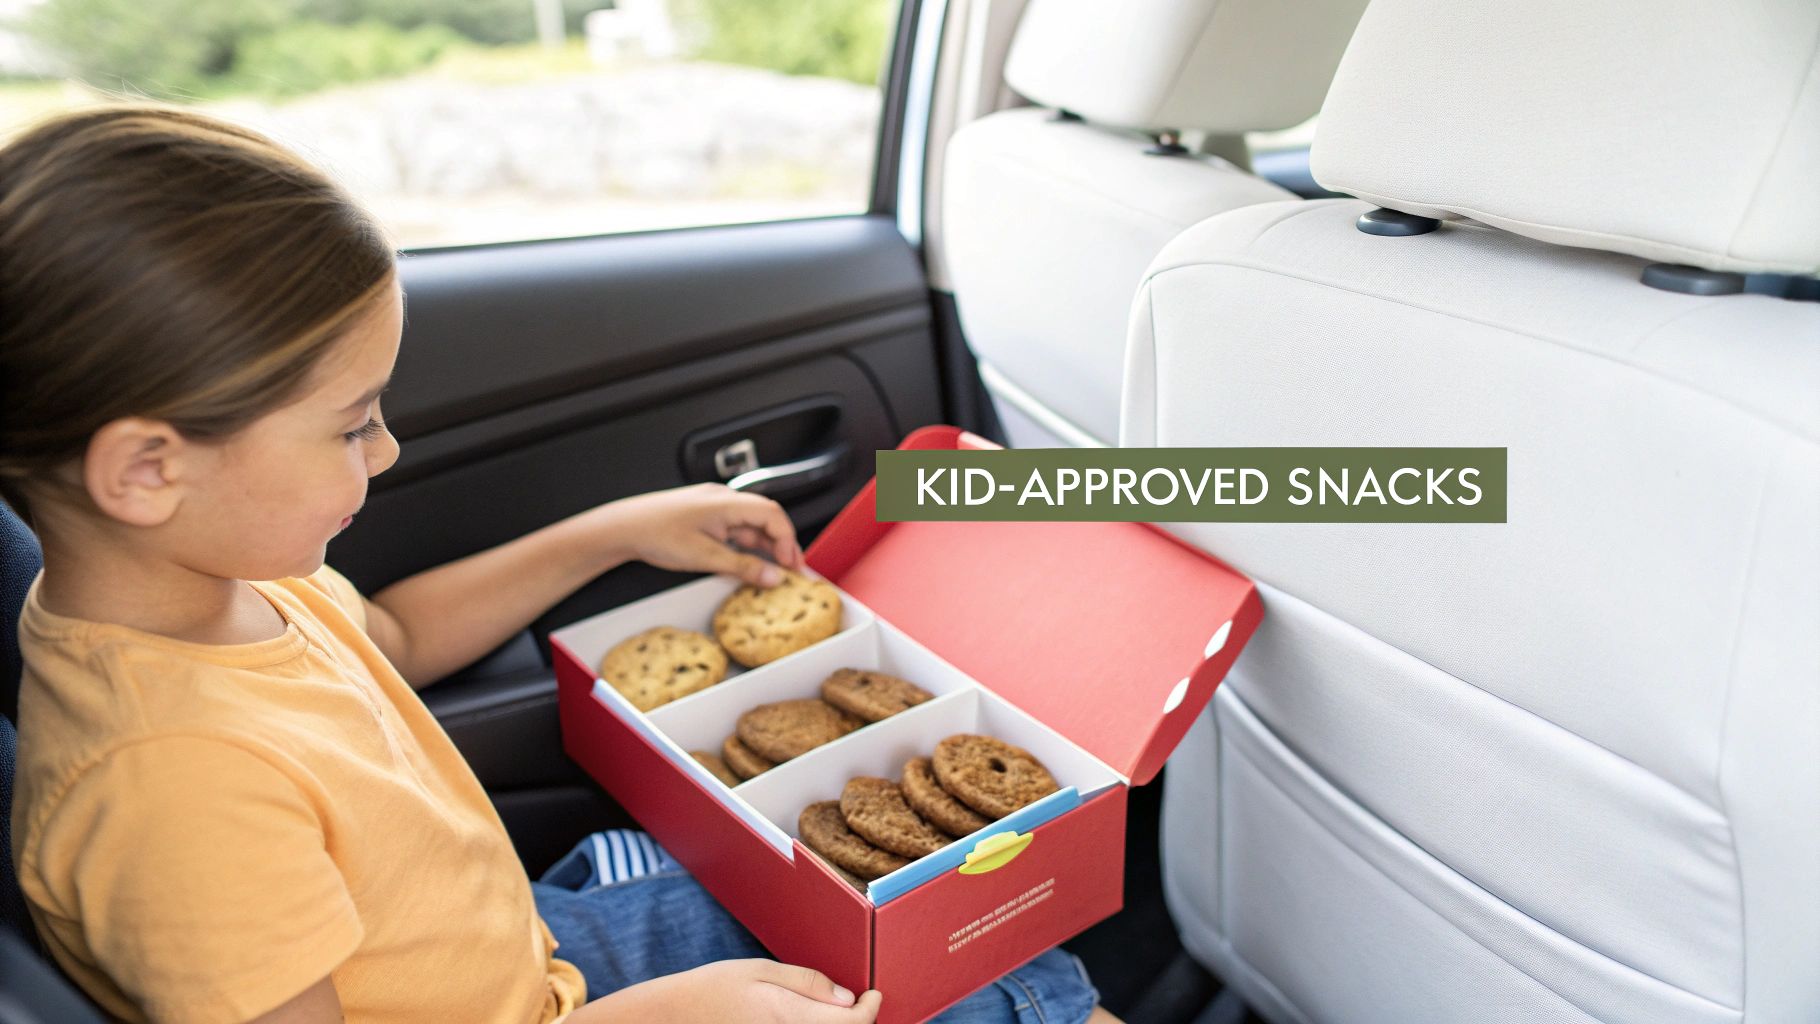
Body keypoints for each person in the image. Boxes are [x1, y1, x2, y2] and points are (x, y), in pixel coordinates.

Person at [0, 105, 1114, 1024]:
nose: (385, 452)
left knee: (921, 905)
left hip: (537, 950)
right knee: (975, 980)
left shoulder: (230, 578)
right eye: (350, 427)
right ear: (146, 470)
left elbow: (386, 635)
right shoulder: (169, 789)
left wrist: (613, 531)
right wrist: (663, 1017)